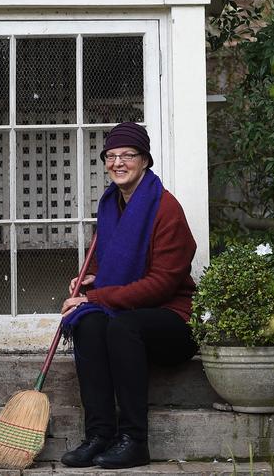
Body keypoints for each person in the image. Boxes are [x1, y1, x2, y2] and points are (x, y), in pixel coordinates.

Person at [60, 122, 197, 469]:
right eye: (111, 156)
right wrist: (89, 283)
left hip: (173, 321)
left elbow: (163, 285)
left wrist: (97, 297)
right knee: (88, 324)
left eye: (128, 155)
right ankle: (99, 435)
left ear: (145, 161)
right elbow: (110, 264)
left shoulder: (166, 209)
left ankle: (134, 440)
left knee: (121, 326)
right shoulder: (110, 206)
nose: (118, 162)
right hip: (129, 313)